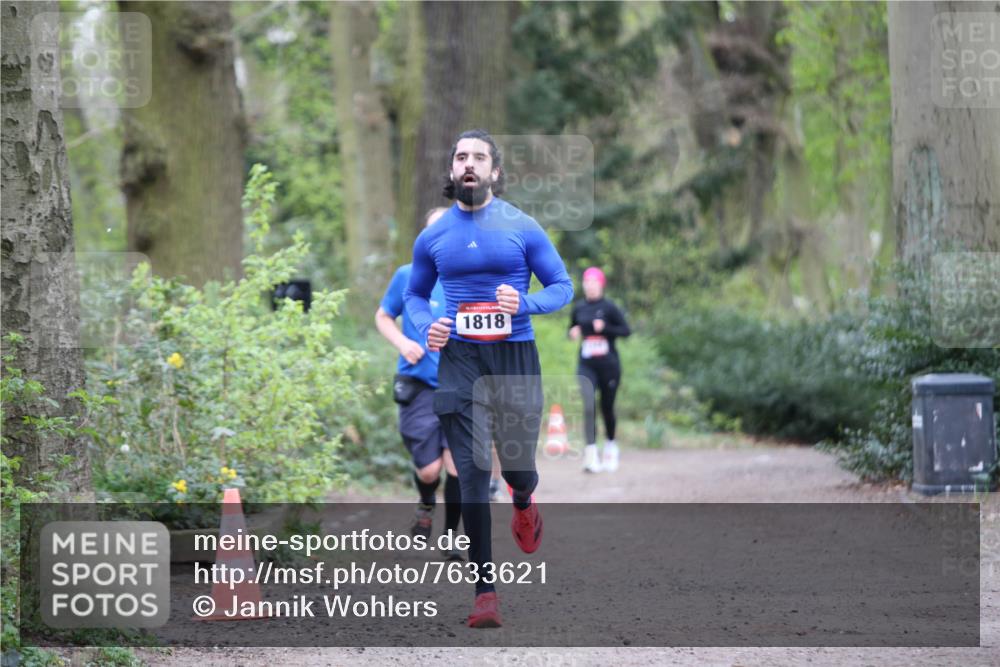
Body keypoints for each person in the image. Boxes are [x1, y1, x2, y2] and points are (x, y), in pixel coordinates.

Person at [404, 129, 573, 628]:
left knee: (517, 467)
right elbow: (414, 297)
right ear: (452, 171)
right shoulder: (433, 236)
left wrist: (527, 302)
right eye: (460, 156)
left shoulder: (522, 226)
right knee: (473, 474)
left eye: (479, 156)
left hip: (514, 356)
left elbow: (561, 286)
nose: (469, 163)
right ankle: (485, 594)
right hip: (459, 361)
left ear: (495, 171)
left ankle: (523, 497)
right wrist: (424, 325)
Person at [375, 207, 463, 561]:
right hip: (419, 386)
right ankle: (426, 504)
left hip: (460, 386)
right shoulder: (408, 275)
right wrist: (402, 343)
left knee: (457, 465)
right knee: (429, 470)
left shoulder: (469, 280)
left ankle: (451, 537)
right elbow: (383, 316)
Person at [569, 267, 631, 473]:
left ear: (601, 285)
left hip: (609, 365)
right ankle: (591, 455)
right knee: (588, 405)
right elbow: (572, 328)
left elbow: (626, 331)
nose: (590, 286)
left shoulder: (609, 307)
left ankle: (611, 448)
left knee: (607, 407)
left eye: (594, 283)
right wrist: (573, 332)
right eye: (587, 283)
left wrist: (604, 328)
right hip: (587, 364)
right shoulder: (579, 308)